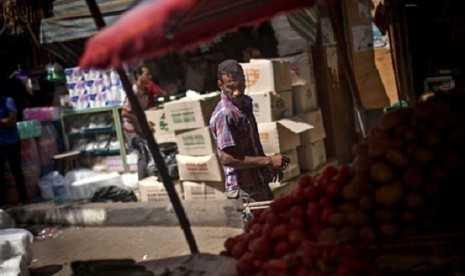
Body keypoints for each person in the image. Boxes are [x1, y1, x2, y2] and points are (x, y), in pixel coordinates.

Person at [209, 59, 290, 221]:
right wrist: (268, 161)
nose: (237, 92)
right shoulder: (225, 114)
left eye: (241, 85)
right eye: (231, 87)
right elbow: (227, 158)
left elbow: (249, 147)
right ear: (221, 85)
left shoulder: (245, 104)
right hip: (245, 190)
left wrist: (268, 165)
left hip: (258, 183)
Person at [122, 74, 157, 180]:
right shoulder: (133, 92)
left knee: (149, 152)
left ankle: (149, 180)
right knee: (143, 153)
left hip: (140, 127)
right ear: (138, 76)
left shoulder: (145, 92)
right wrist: (143, 122)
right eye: (146, 74)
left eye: (150, 75)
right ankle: (143, 181)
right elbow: (124, 113)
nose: (149, 77)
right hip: (131, 129)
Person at [0, 84, 29, 205]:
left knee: (16, 170)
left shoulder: (8, 101)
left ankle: (24, 198)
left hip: (12, 141)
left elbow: (12, 120)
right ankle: (3, 202)